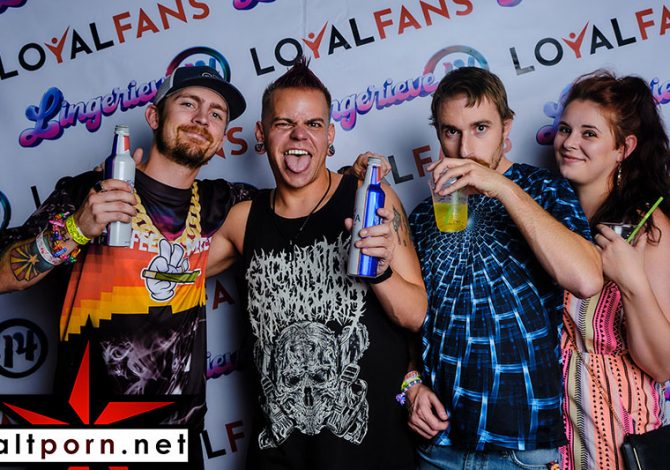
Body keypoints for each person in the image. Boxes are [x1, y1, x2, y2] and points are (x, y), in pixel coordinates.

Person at [0, 65, 253, 468]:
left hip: (176, 442)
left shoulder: (224, 203)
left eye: (216, 113)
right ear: (154, 116)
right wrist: (77, 229)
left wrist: (349, 178)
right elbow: (4, 276)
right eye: (188, 104)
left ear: (222, 137)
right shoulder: (88, 192)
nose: (202, 118)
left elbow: (296, 211)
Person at [208, 57, 427, 469]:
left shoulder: (370, 200)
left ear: (329, 135)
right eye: (283, 123)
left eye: (312, 124)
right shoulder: (242, 221)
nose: (299, 135)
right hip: (279, 458)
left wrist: (380, 270)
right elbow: (170, 275)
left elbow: (416, 314)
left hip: (374, 454)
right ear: (261, 134)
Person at [404, 67, 603, 469]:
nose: (465, 148)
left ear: (506, 127)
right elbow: (411, 319)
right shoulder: (424, 216)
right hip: (438, 446)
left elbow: (585, 278)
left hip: (519, 448)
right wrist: (409, 384)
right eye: (451, 131)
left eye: (480, 128)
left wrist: (501, 186)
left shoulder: (545, 189)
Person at [554, 71, 670, 470]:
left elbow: (662, 365)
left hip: (616, 438)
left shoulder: (648, 228)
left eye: (589, 133)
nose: (569, 142)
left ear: (624, 148)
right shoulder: (554, 222)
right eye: (565, 129)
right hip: (554, 442)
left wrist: (632, 281)